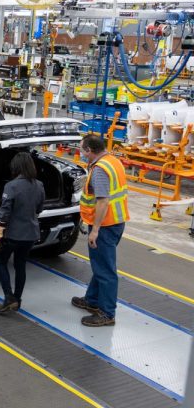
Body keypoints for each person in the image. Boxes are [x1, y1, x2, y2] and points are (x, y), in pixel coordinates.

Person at [72, 134, 129, 327]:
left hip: (104, 225)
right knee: (100, 265)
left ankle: (107, 313)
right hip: (117, 221)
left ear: (89, 150)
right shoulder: (113, 160)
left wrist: (95, 230)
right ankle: (93, 300)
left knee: (105, 270)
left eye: (81, 149)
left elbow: (103, 201)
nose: (80, 152)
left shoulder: (100, 170)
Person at [0, 152, 45, 314]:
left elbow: (4, 212)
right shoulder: (39, 185)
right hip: (30, 234)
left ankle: (9, 297)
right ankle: (18, 299)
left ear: (16, 167)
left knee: (0, 262)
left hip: (12, 234)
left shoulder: (11, 186)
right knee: (20, 265)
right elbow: (39, 209)